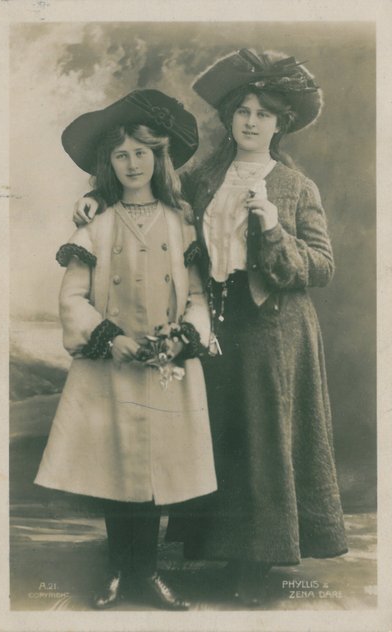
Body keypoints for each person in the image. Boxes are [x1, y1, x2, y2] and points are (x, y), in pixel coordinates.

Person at [72, 49, 348, 607]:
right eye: (242, 110)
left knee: (263, 444)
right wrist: (94, 197)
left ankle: (258, 564)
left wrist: (273, 230)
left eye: (263, 114)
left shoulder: (296, 187)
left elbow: (321, 267)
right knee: (218, 440)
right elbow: (149, 187)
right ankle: (214, 550)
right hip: (212, 323)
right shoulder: (202, 175)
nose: (250, 121)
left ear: (280, 124)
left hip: (275, 330)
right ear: (229, 118)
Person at [34, 88, 217, 611]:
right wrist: (109, 338)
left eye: (142, 152)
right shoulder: (95, 224)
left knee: (157, 473)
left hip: (165, 368)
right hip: (111, 364)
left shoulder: (183, 222)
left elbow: (201, 295)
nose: (133, 163)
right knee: (115, 471)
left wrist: (184, 335)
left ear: (159, 158)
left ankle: (149, 572)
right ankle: (117, 570)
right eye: (121, 154)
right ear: (108, 163)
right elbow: (72, 296)